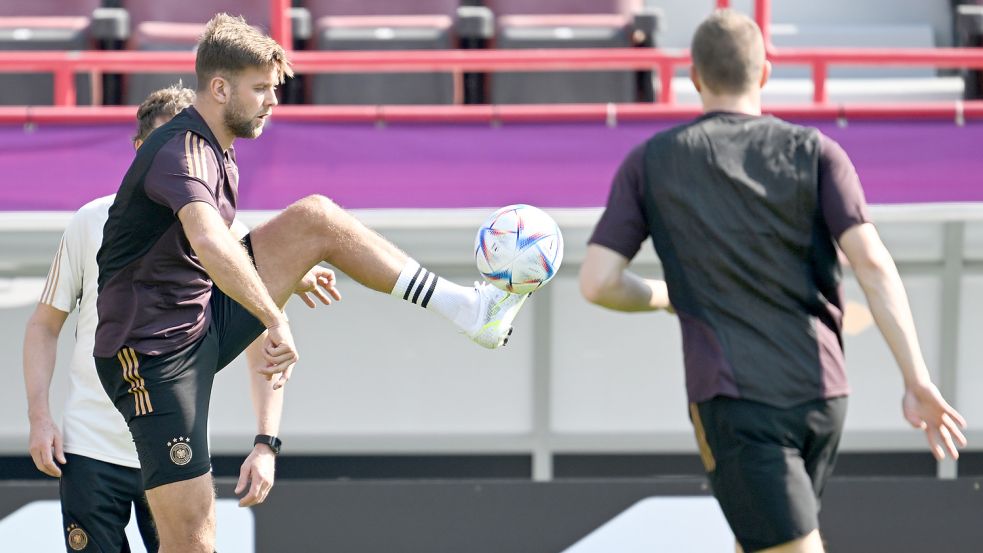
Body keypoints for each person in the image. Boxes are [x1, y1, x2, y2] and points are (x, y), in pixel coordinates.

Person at [93, 14, 527, 553]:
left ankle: (469, 309)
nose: (272, 102)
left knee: (315, 219)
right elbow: (208, 243)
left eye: (273, 89)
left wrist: (286, 271)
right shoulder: (179, 150)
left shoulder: (217, 148)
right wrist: (274, 316)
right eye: (260, 89)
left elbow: (201, 251)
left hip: (199, 317)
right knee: (192, 543)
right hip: (149, 357)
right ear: (220, 87)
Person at [578, 10, 967, 553]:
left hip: (739, 403)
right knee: (762, 541)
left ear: (694, 77)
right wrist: (916, 379)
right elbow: (874, 266)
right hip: (823, 397)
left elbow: (598, 282)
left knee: (785, 546)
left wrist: (667, 296)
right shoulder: (818, 152)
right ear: (765, 74)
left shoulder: (653, 162)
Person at [23, 84, 340, 553]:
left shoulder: (227, 233)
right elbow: (43, 326)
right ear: (140, 152)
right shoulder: (92, 221)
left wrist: (266, 442)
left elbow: (264, 347)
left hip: (174, 452)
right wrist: (40, 417)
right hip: (90, 450)